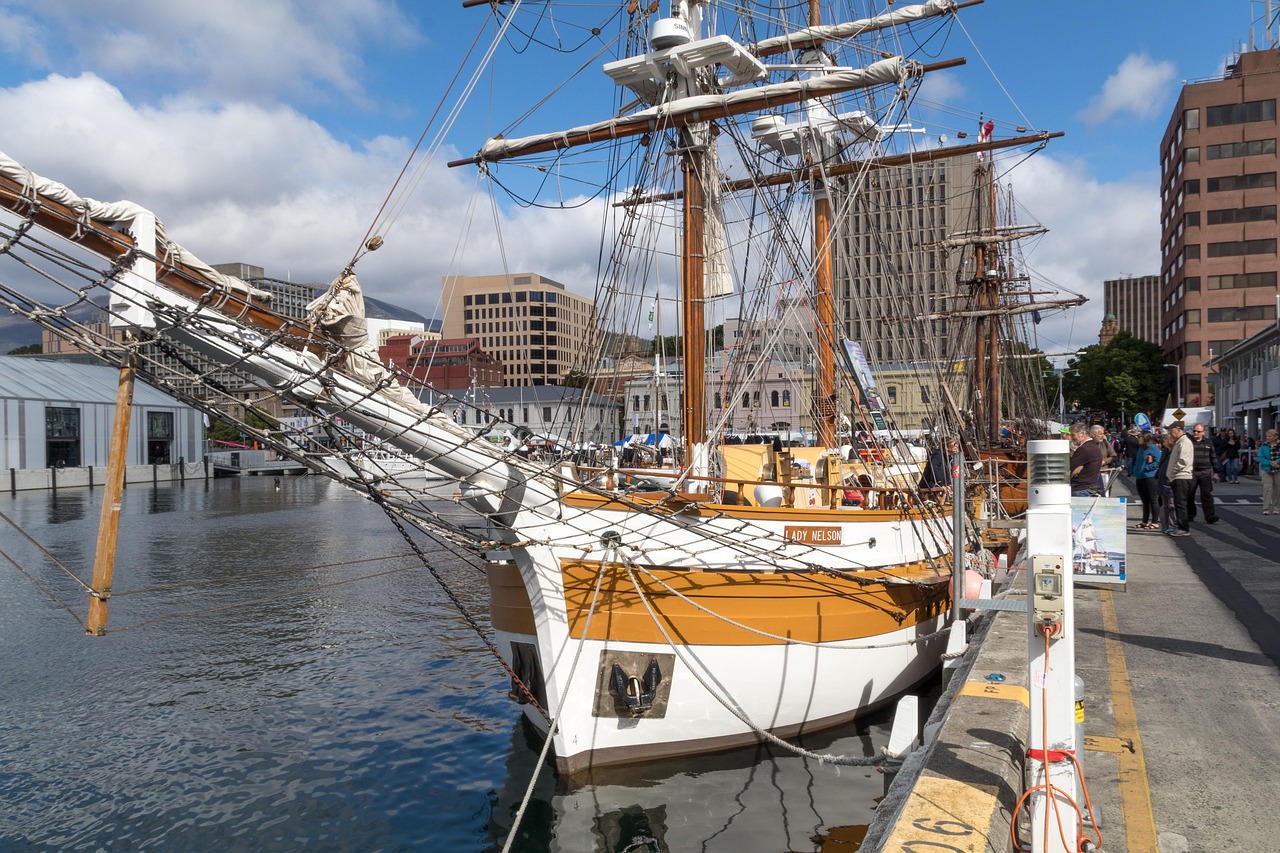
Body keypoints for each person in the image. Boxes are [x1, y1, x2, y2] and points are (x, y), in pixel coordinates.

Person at [1185, 423, 1219, 524]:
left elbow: (1213, 457)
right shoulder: (1189, 442)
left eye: (1198, 431)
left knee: (1207, 495)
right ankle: (1190, 514)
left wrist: (1216, 472)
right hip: (1192, 472)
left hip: (1205, 472)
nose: (1196, 433)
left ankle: (1209, 516)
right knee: (1189, 495)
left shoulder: (1208, 442)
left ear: (1203, 432)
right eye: (1194, 431)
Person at [1129, 430, 1162, 529]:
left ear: (1145, 437)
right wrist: (1135, 470)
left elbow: (1157, 462)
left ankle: (1155, 521)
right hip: (1140, 477)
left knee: (1153, 500)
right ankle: (1144, 521)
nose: (1138, 438)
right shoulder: (1141, 448)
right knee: (1145, 501)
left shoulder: (1153, 448)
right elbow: (1137, 460)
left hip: (1150, 477)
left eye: (1139, 436)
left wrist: (1146, 468)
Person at [1166, 421, 1193, 536]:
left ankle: (1183, 528)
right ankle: (1181, 527)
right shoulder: (1180, 441)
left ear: (1178, 430)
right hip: (1177, 477)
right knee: (1178, 503)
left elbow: (1183, 460)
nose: (1169, 432)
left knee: (1180, 504)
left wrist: (1173, 470)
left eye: (1171, 429)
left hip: (1181, 476)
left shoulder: (1184, 442)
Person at [1069, 422, 1102, 496]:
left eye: (1073, 435)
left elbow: (1069, 466)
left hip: (1081, 488)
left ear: (1082, 434)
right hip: (1088, 486)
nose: (1072, 438)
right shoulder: (1093, 446)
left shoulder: (1084, 449)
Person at [1155, 430, 1176, 532]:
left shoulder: (1174, 451)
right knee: (1166, 505)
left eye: (1166, 439)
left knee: (1171, 505)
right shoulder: (1165, 451)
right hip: (1163, 480)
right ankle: (1167, 525)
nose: (1163, 440)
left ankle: (1171, 525)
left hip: (1170, 480)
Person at [1091, 424, 1117, 492]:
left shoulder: (1104, 443)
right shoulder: (1087, 444)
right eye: (1100, 434)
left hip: (1104, 473)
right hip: (1091, 474)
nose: (1102, 436)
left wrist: (1105, 461)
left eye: (1103, 434)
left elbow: (1114, 456)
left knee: (1105, 493)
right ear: (1093, 434)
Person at [1260, 429, 1280, 515]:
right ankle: (1266, 508)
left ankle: (1276, 508)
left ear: (1275, 437)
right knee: (1267, 488)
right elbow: (1260, 457)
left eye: (1270, 436)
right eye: (1267, 436)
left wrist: (1277, 462)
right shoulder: (1263, 446)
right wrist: (1270, 463)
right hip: (1266, 469)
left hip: (1278, 469)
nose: (1268, 438)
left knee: (1277, 489)